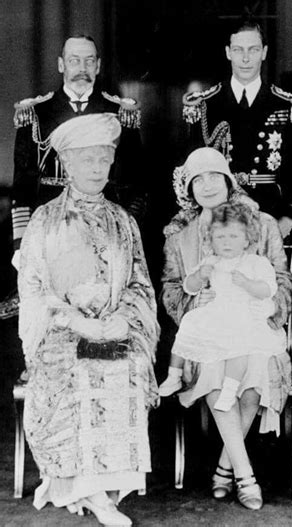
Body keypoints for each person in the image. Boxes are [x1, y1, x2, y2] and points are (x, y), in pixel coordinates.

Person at [17, 113, 160, 526]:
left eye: (104, 160)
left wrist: (125, 320)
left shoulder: (123, 220)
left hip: (114, 327)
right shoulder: (45, 220)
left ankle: (108, 486)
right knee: (79, 369)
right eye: (87, 161)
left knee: (129, 363)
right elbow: (33, 290)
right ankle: (89, 491)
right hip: (62, 333)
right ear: (67, 165)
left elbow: (139, 284)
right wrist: (76, 322)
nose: (97, 169)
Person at [161, 147, 292, 510]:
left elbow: (281, 279)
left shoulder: (261, 223)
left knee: (255, 375)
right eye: (196, 180)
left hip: (254, 326)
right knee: (216, 375)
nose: (206, 186)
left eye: (213, 176)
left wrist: (263, 308)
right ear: (188, 189)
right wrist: (192, 302)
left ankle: (223, 468)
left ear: (228, 179)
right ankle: (246, 477)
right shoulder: (179, 235)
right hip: (208, 334)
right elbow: (172, 288)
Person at [11, 34, 147, 262]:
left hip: (106, 232)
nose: (82, 68)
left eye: (89, 61)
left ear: (98, 65)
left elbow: (136, 184)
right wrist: (20, 243)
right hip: (50, 230)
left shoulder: (120, 112)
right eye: (74, 60)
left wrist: (126, 235)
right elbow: (22, 186)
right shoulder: (36, 113)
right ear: (61, 64)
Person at [182, 17, 292, 240]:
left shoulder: (286, 105)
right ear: (227, 52)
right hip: (218, 220)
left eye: (253, 50)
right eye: (238, 49)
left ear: (264, 52)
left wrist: (288, 220)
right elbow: (191, 172)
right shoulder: (205, 105)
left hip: (273, 218)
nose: (245, 58)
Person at [159, 201, 286, 413]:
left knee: (240, 346)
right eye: (220, 237)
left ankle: (230, 389)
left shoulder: (255, 262)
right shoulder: (212, 261)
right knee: (189, 322)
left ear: (246, 239)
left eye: (233, 237)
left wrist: (248, 284)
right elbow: (189, 288)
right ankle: (174, 375)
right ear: (211, 240)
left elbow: (268, 289)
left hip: (244, 315)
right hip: (217, 312)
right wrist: (199, 276)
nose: (226, 243)